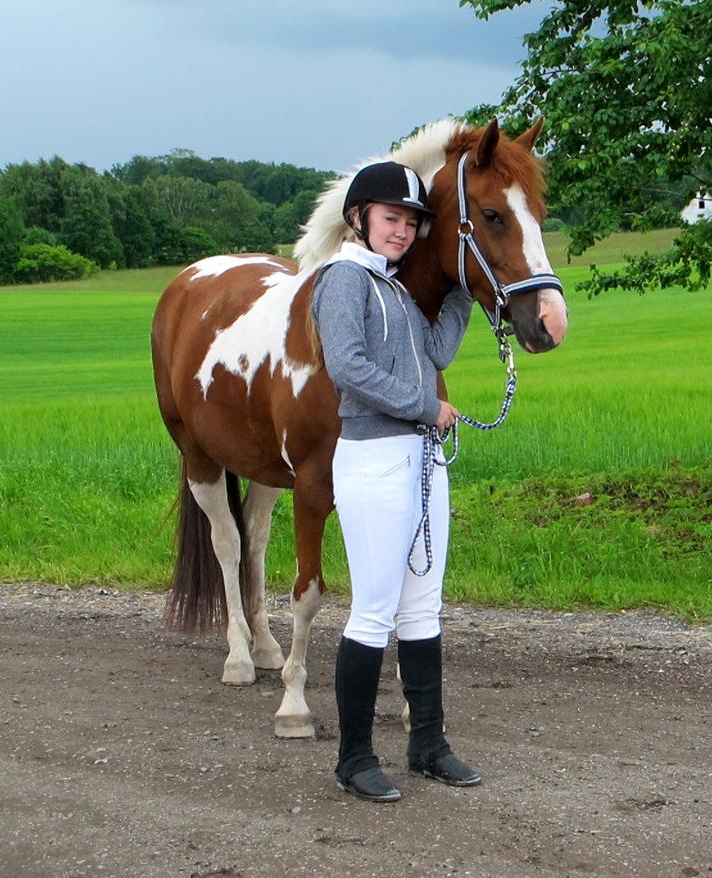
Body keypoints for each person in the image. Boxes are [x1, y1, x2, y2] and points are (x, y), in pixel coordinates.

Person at [310, 161, 479, 803]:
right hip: (376, 460)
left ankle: (428, 745)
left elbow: (433, 353)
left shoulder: (398, 289)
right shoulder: (345, 281)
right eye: (391, 219)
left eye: (410, 222)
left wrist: (464, 288)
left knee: (422, 606)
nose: (402, 232)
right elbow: (347, 368)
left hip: (424, 459)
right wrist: (423, 407)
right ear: (359, 219)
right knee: (374, 610)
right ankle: (354, 759)